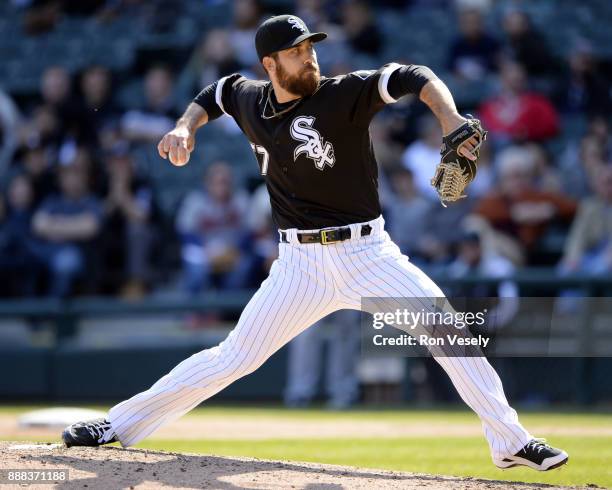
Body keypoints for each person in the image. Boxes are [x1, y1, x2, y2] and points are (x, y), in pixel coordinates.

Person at [62, 14, 568, 472]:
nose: (310, 56)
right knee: (232, 358)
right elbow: (213, 94)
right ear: (271, 63)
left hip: (367, 253)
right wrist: (182, 127)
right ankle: (118, 426)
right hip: (298, 266)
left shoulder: (344, 93)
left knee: (447, 330)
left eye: (312, 47)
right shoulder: (248, 97)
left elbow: (416, 77)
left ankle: (510, 441)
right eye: (298, 51)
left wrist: (451, 118)